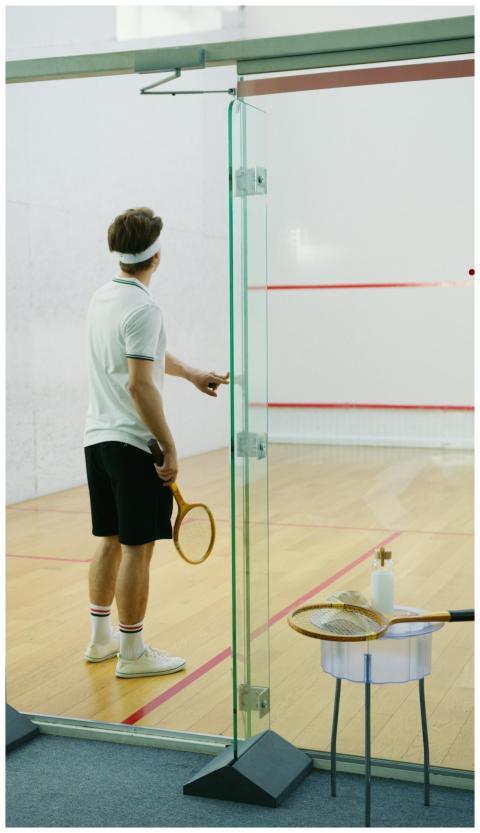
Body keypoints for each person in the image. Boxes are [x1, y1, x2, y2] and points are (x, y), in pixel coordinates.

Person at [83, 207, 229, 678]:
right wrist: (169, 445)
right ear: (157, 256)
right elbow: (139, 384)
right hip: (133, 447)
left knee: (108, 541)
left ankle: (101, 640)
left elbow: (144, 354)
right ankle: (133, 652)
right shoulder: (145, 307)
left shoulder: (103, 298)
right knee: (137, 549)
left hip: (98, 442)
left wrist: (190, 374)